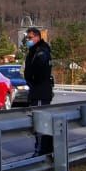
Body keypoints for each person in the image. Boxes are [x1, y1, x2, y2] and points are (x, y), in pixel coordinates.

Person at [24, 27, 55, 155]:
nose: (28, 40)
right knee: (38, 122)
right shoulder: (34, 51)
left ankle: (42, 150)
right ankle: (42, 149)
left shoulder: (41, 52)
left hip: (40, 91)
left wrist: (32, 79)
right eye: (27, 38)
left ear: (37, 37)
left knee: (41, 121)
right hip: (36, 91)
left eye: (30, 38)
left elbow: (40, 72)